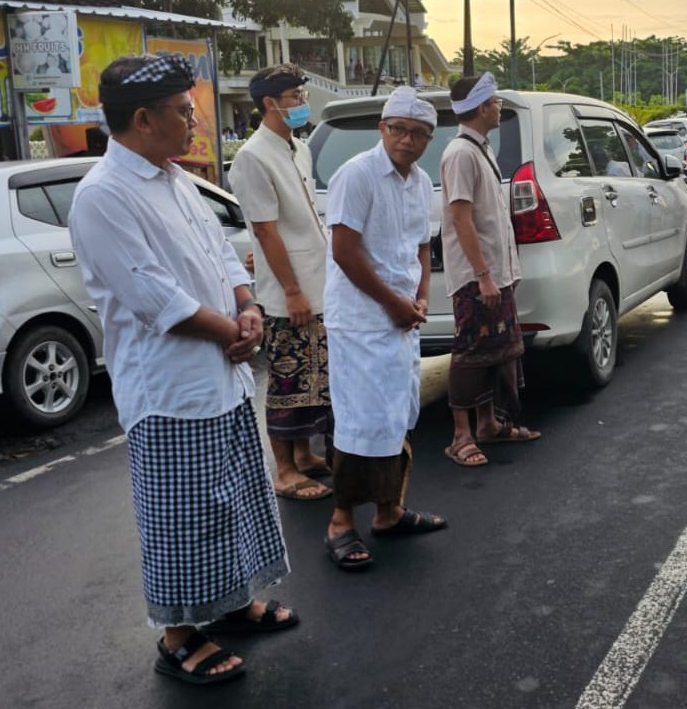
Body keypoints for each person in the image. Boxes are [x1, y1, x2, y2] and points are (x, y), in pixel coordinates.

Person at [69, 54, 294, 686]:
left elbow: (222, 253)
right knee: (184, 516)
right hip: (169, 388)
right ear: (143, 119)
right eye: (183, 111)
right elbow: (152, 296)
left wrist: (247, 308)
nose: (194, 120)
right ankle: (178, 637)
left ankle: (231, 605)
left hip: (220, 375)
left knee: (234, 502)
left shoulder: (172, 178)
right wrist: (234, 333)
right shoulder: (103, 196)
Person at [321, 86, 448, 571]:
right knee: (361, 421)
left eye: (419, 134)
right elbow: (344, 251)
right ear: (383, 129)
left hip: (399, 317)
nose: (408, 141)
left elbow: (420, 246)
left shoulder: (419, 182)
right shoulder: (356, 175)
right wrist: (393, 302)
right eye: (399, 130)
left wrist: (419, 298)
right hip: (361, 320)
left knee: (397, 415)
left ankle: (390, 511)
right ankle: (340, 522)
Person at [229, 64, 334, 503]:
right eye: (293, 96)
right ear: (269, 104)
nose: (301, 103)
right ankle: (285, 469)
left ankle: (306, 457)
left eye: (301, 94)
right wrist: (291, 290)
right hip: (286, 292)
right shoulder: (253, 157)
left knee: (316, 377)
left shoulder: (298, 148)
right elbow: (267, 231)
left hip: (317, 280)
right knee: (288, 379)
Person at [440, 73, 540, 468]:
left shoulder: (479, 149)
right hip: (475, 278)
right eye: (495, 102)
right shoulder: (461, 154)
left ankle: (488, 425)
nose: (499, 108)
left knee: (496, 352)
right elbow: (461, 218)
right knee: (470, 351)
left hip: (494, 274)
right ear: (482, 108)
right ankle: (460, 436)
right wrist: (482, 274)